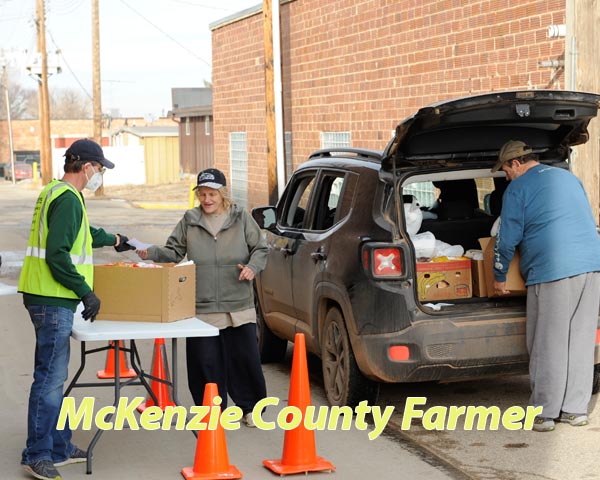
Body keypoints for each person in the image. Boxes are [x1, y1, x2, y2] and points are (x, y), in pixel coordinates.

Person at [18, 138, 135, 480]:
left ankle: (57, 446)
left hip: (45, 296)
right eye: (99, 168)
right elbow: (57, 254)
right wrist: (86, 292)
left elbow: (79, 234)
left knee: (54, 377)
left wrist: (113, 239)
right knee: (50, 381)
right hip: (52, 298)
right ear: (86, 167)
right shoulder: (68, 199)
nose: (99, 174)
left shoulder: (57, 192)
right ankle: (37, 454)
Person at [137, 168, 268, 427]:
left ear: (222, 194)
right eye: (202, 194)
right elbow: (173, 252)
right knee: (205, 362)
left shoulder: (240, 217)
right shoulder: (191, 219)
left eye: (212, 194)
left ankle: (251, 408)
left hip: (238, 303)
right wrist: (149, 252)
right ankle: (210, 411)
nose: (207, 199)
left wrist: (253, 267)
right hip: (203, 305)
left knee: (244, 359)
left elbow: (260, 248)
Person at [491, 140, 600, 432]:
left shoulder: (518, 188)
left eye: (505, 170)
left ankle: (545, 413)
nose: (505, 177)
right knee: (580, 340)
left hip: (552, 269)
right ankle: (576, 411)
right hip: (591, 265)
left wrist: (499, 277)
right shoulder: (569, 178)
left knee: (547, 342)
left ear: (516, 163)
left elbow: (506, 238)